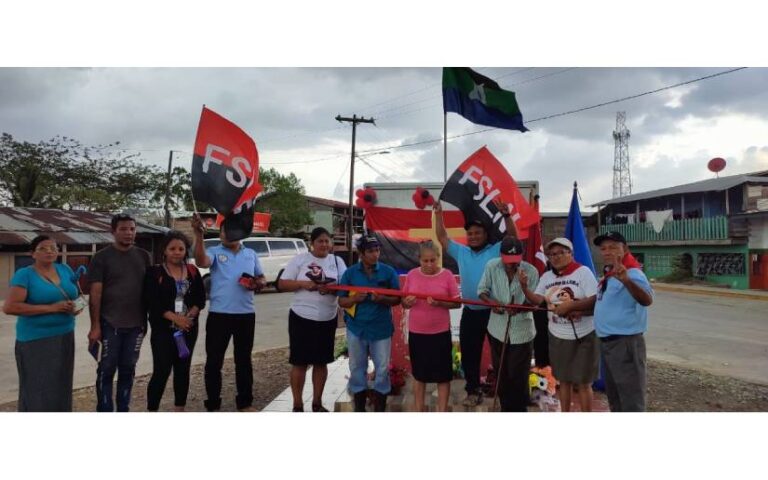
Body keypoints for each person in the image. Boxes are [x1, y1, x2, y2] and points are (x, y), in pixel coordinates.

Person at [434, 200, 518, 407]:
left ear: (486, 234)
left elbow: (513, 238)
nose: (473, 236)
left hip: (494, 311)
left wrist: (507, 216)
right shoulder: (461, 251)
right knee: (470, 355)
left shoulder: (495, 250)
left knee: (501, 353)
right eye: (470, 233)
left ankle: (503, 391)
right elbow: (442, 237)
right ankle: (473, 390)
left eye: (477, 232)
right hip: (471, 312)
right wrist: (438, 213)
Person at [191, 214, 265, 412]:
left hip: (246, 314)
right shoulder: (215, 251)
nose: (224, 234)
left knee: (243, 361)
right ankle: (213, 405)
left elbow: (262, 278)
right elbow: (201, 262)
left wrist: (258, 283)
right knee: (214, 362)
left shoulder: (251, 254)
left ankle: (245, 403)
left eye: (228, 230)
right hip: (219, 315)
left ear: (238, 233)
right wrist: (198, 235)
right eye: (222, 230)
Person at [519, 237, 600, 412]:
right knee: (564, 381)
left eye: (561, 253)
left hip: (584, 335)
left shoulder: (583, 272)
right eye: (552, 254)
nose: (556, 257)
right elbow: (538, 300)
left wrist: (571, 306)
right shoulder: (547, 276)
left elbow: (596, 300)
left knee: (584, 383)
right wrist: (525, 288)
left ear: (571, 254)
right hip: (558, 336)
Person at [3, 236, 81, 411]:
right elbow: (10, 307)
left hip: (65, 335)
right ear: (33, 253)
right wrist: (52, 308)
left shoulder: (65, 269)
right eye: (43, 248)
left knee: (61, 385)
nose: (49, 251)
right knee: (37, 389)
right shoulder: (25, 274)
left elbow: (77, 296)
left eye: (53, 248)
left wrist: (75, 307)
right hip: (36, 340)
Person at [277, 227, 347, 412]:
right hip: (301, 317)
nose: (324, 244)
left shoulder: (337, 261)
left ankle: (317, 403)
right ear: (312, 243)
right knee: (299, 361)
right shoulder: (300, 260)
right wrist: (302, 283)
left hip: (327, 318)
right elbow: (282, 284)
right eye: (320, 241)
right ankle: (297, 405)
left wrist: (331, 288)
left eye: (327, 241)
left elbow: (346, 286)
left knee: (321, 361)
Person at [88, 213, 151, 412]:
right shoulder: (101, 257)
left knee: (128, 370)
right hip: (109, 324)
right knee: (106, 370)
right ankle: (105, 409)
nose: (129, 233)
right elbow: (95, 293)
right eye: (123, 229)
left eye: (132, 229)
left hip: (137, 326)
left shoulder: (144, 256)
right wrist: (95, 326)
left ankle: (123, 409)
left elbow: (151, 291)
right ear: (113, 231)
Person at [587, 231, 653, 412]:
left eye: (613, 247)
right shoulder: (608, 275)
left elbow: (647, 300)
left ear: (625, 249)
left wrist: (627, 281)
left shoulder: (633, 274)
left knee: (631, 400)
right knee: (615, 397)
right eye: (603, 248)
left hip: (625, 344)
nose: (607, 252)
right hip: (608, 344)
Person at [144, 230, 206, 412]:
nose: (177, 252)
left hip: (187, 330)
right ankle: (152, 409)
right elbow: (152, 302)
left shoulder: (193, 271)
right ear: (164, 250)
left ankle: (180, 408)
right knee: (161, 371)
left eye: (181, 249)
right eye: (172, 248)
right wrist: (176, 318)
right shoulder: (155, 272)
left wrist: (188, 319)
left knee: (183, 369)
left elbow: (200, 299)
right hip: (163, 331)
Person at [337, 235, 401, 412]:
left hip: (381, 328)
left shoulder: (388, 272)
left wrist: (382, 298)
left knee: (381, 369)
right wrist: (355, 299)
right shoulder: (350, 273)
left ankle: (380, 407)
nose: (375, 254)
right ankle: (359, 408)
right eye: (371, 251)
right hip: (356, 328)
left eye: (377, 250)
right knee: (357, 367)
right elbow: (341, 302)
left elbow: (397, 299)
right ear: (361, 253)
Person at [477, 237, 539, 412]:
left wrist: (519, 308)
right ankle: (505, 409)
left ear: (522, 255)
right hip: (497, 328)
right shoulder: (491, 266)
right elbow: (482, 291)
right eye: (508, 261)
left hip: (522, 331)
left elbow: (535, 303)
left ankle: (519, 410)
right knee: (502, 373)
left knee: (518, 375)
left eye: (515, 261)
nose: (511, 265)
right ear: (500, 255)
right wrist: (492, 303)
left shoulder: (531, 271)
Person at [401, 241, 461, 412]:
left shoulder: (447, 275)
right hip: (417, 333)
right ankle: (420, 411)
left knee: (443, 376)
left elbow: (457, 304)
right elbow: (404, 303)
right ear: (419, 259)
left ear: (438, 258)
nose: (429, 264)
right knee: (419, 375)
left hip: (440, 333)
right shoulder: (412, 275)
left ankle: (441, 411)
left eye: (432, 260)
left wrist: (440, 303)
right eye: (425, 261)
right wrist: (407, 302)